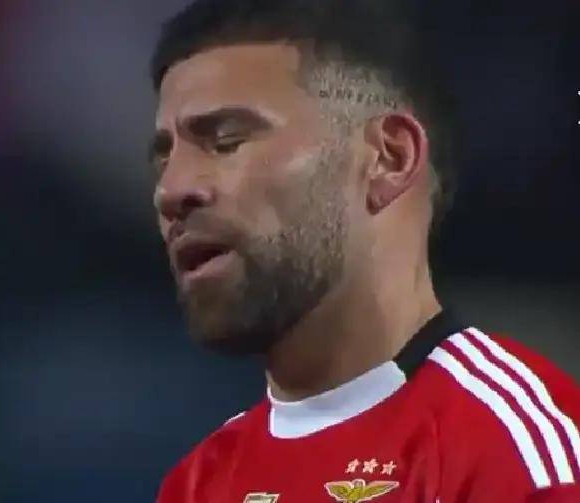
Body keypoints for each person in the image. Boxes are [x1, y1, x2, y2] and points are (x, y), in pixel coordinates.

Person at [145, 1, 580, 501]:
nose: (170, 191)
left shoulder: (515, 454)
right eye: (164, 162)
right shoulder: (196, 484)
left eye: (226, 142)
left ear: (388, 159)